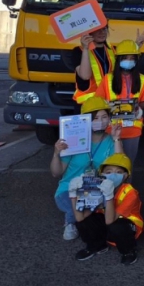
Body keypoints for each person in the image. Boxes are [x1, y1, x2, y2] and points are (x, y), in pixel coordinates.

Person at [52, 97, 124, 241]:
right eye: (95, 118)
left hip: (95, 188)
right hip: (69, 189)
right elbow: (56, 172)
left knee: (92, 207)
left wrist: (117, 139)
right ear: (85, 120)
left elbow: (120, 166)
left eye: (104, 117)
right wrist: (56, 153)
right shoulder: (73, 140)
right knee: (82, 207)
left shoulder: (110, 141)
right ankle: (70, 222)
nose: (100, 121)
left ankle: (84, 217)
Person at [69, 153, 143, 264]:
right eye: (108, 172)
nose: (113, 175)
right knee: (85, 222)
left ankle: (128, 251)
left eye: (119, 172)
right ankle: (96, 246)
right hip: (107, 224)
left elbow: (110, 220)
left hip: (127, 227)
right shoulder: (96, 186)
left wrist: (108, 196)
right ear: (101, 174)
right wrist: (73, 195)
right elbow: (80, 218)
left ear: (125, 176)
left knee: (117, 226)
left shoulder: (130, 193)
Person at [95, 39, 144, 165]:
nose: (129, 61)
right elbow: (98, 101)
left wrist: (138, 109)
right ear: (118, 59)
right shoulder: (108, 79)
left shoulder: (143, 79)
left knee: (127, 165)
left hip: (132, 130)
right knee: (108, 164)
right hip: (111, 129)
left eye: (132, 58)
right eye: (125, 58)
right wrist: (106, 106)